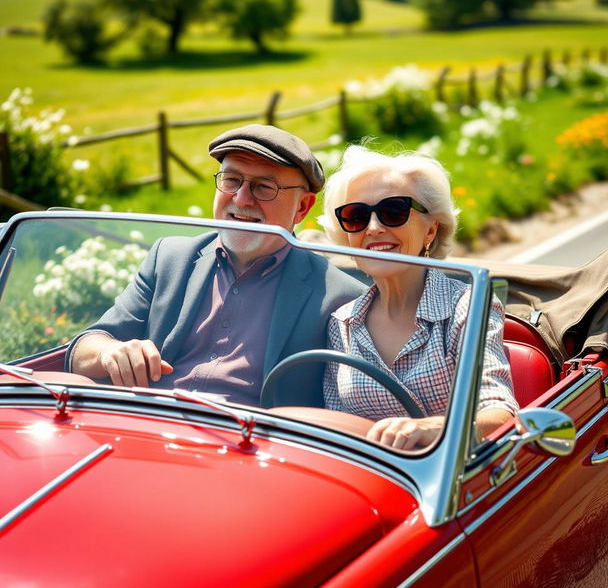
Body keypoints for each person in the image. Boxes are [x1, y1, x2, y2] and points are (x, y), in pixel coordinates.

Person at [65, 124, 364, 407]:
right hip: (152, 428)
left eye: (264, 187)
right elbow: (84, 348)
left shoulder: (341, 297)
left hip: (258, 447)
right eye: (232, 180)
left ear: (302, 207)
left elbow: (351, 406)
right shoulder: (170, 258)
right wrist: (109, 352)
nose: (242, 199)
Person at [321, 145, 518, 450]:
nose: (373, 228)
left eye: (393, 211)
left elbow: (500, 414)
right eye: (355, 216)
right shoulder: (341, 322)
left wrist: (433, 428)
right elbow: (336, 426)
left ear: (430, 230)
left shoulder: (468, 306)